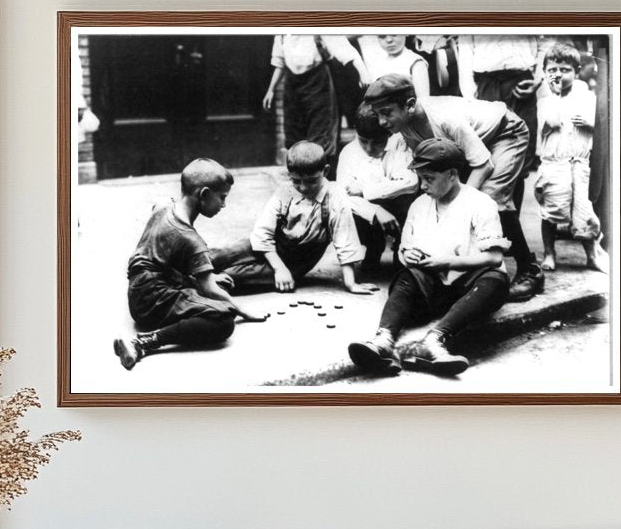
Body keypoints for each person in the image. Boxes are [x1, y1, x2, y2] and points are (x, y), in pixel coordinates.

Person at [361, 73, 544, 301]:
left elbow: (483, 164)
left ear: (409, 105)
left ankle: (530, 270)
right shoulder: (404, 125)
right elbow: (431, 171)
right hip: (473, 142)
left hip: (506, 132)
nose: (382, 122)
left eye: (386, 113)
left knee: (491, 200)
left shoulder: (445, 118)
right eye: (378, 114)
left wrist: (461, 204)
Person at [348, 139, 510, 377]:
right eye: (420, 178)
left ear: (453, 174)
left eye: (429, 178)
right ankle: (383, 341)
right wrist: (407, 255)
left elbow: (495, 257)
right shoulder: (419, 205)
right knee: (406, 276)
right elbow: (405, 249)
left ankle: (435, 340)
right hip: (432, 287)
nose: (422, 185)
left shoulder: (480, 203)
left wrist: (448, 262)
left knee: (496, 280)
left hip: (467, 286)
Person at [112, 159, 268, 370]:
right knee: (223, 319)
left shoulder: (164, 205)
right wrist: (242, 310)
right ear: (204, 194)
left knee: (218, 286)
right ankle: (143, 343)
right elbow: (208, 287)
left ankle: (155, 330)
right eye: (222, 197)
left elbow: (167, 254)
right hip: (152, 303)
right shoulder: (191, 240)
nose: (224, 205)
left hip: (138, 291)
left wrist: (202, 279)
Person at [213, 141, 379, 295]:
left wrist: (351, 284)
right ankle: (192, 270)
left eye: (312, 181)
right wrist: (279, 268)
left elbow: (345, 241)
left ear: (326, 171)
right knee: (219, 257)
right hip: (266, 245)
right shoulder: (285, 191)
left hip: (295, 263)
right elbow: (262, 234)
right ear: (289, 175)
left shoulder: (335, 197)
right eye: (296, 181)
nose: (304, 187)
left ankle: (200, 283)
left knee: (229, 278)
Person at [534, 42, 605, 271]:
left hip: (580, 164)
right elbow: (549, 124)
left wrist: (589, 123)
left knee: (584, 213)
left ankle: (592, 255)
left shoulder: (587, 98)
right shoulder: (545, 101)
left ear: (576, 72)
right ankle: (549, 252)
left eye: (564, 70)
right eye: (552, 70)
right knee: (551, 212)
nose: (558, 74)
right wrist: (555, 94)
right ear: (545, 74)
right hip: (554, 166)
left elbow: (601, 130)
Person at [262, 35, 371, 168]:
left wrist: (363, 71)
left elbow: (344, 50)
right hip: (293, 86)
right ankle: (299, 180)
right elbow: (280, 63)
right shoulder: (282, 33)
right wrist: (271, 90)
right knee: (294, 136)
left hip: (318, 84)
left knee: (321, 136)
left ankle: (321, 179)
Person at [335, 103, 418, 273]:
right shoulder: (349, 153)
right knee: (345, 211)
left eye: (377, 142)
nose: (369, 148)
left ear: (389, 133)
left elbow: (410, 182)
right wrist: (376, 211)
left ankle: (402, 249)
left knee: (410, 204)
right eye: (363, 141)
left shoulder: (400, 145)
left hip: (397, 205)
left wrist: (366, 189)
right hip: (368, 210)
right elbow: (343, 196)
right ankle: (374, 248)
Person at [357, 35, 431, 97]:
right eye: (382, 36)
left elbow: (423, 102)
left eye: (394, 34)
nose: (389, 40)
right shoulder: (377, 63)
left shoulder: (416, 62)